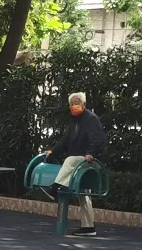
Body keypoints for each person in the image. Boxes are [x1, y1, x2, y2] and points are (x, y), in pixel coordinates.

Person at [43, 92, 107, 237]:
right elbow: (65, 141)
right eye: (71, 104)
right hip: (81, 159)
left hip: (89, 159)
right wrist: (53, 152)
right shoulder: (75, 121)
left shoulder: (91, 119)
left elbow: (97, 139)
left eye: (77, 103)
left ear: (84, 104)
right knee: (84, 194)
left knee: (70, 160)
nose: (74, 106)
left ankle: (55, 188)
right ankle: (88, 227)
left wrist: (91, 153)